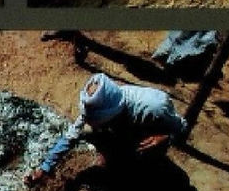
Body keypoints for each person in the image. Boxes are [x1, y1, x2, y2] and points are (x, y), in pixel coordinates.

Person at [25, 73, 189, 185]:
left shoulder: (153, 108)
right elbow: (70, 137)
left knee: (147, 151)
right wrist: (45, 167)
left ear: (112, 114)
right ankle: (114, 155)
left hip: (147, 133)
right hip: (123, 130)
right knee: (88, 132)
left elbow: (182, 127)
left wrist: (166, 138)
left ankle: (143, 172)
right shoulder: (95, 106)